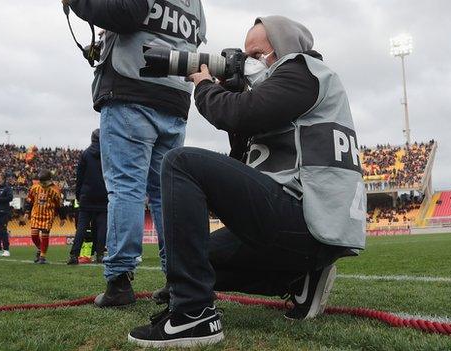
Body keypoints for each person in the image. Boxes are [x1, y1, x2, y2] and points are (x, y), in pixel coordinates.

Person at [127, 16, 366, 347]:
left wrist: (205, 85)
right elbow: (243, 160)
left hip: (308, 215)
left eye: (256, 54)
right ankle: (299, 278)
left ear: (282, 48)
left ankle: (194, 316)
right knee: (196, 260)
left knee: (181, 163)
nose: (246, 62)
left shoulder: (303, 69)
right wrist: (231, 95)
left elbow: (238, 113)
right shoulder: (289, 88)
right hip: (304, 223)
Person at [62, 0, 208, 308]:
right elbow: (192, 38)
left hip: (132, 90)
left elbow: (126, 12)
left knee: (126, 186)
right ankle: (176, 280)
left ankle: (119, 280)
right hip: (176, 98)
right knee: (164, 194)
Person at [68, 129, 108, 265]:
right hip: (103, 195)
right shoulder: (107, 154)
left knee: (82, 226)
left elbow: (79, 177)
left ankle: (74, 255)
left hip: (87, 196)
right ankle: (100, 255)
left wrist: (79, 195)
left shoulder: (85, 154)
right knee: (102, 226)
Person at [24, 170, 65, 264]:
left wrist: (62, 218)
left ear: (50, 180)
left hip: (48, 216)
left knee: (45, 236)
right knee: (34, 235)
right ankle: (40, 248)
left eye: (44, 182)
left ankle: (42, 256)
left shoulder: (55, 190)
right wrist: (27, 212)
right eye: (40, 182)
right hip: (35, 214)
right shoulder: (34, 187)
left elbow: (60, 205)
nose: (42, 184)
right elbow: (30, 200)